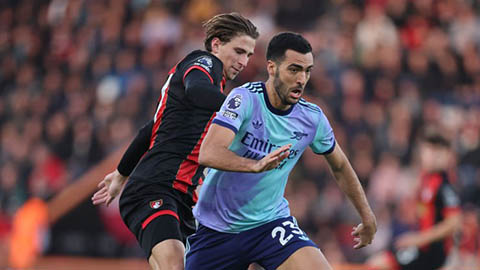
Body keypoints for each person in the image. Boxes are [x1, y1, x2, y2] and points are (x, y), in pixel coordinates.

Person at [185, 32, 377, 270]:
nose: (302, 79)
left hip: (269, 225)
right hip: (216, 229)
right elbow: (209, 152)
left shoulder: (312, 118)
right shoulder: (244, 99)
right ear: (272, 67)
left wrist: (367, 216)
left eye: (307, 71)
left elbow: (339, 165)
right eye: (294, 69)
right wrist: (254, 165)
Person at [91, 13, 259, 270]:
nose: (243, 61)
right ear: (216, 44)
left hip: (181, 197)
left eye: (248, 54)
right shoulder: (204, 62)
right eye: (238, 51)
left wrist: (122, 173)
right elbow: (197, 90)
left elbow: (150, 129)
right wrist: (247, 111)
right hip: (155, 187)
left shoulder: (210, 92)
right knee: (173, 263)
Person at [367, 133, 462, 270]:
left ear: (446, 156)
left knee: (378, 264)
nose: (429, 157)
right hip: (422, 248)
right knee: (376, 261)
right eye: (426, 151)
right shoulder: (426, 180)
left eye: (434, 152)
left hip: (431, 252)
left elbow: (454, 223)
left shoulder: (445, 186)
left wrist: (418, 239)